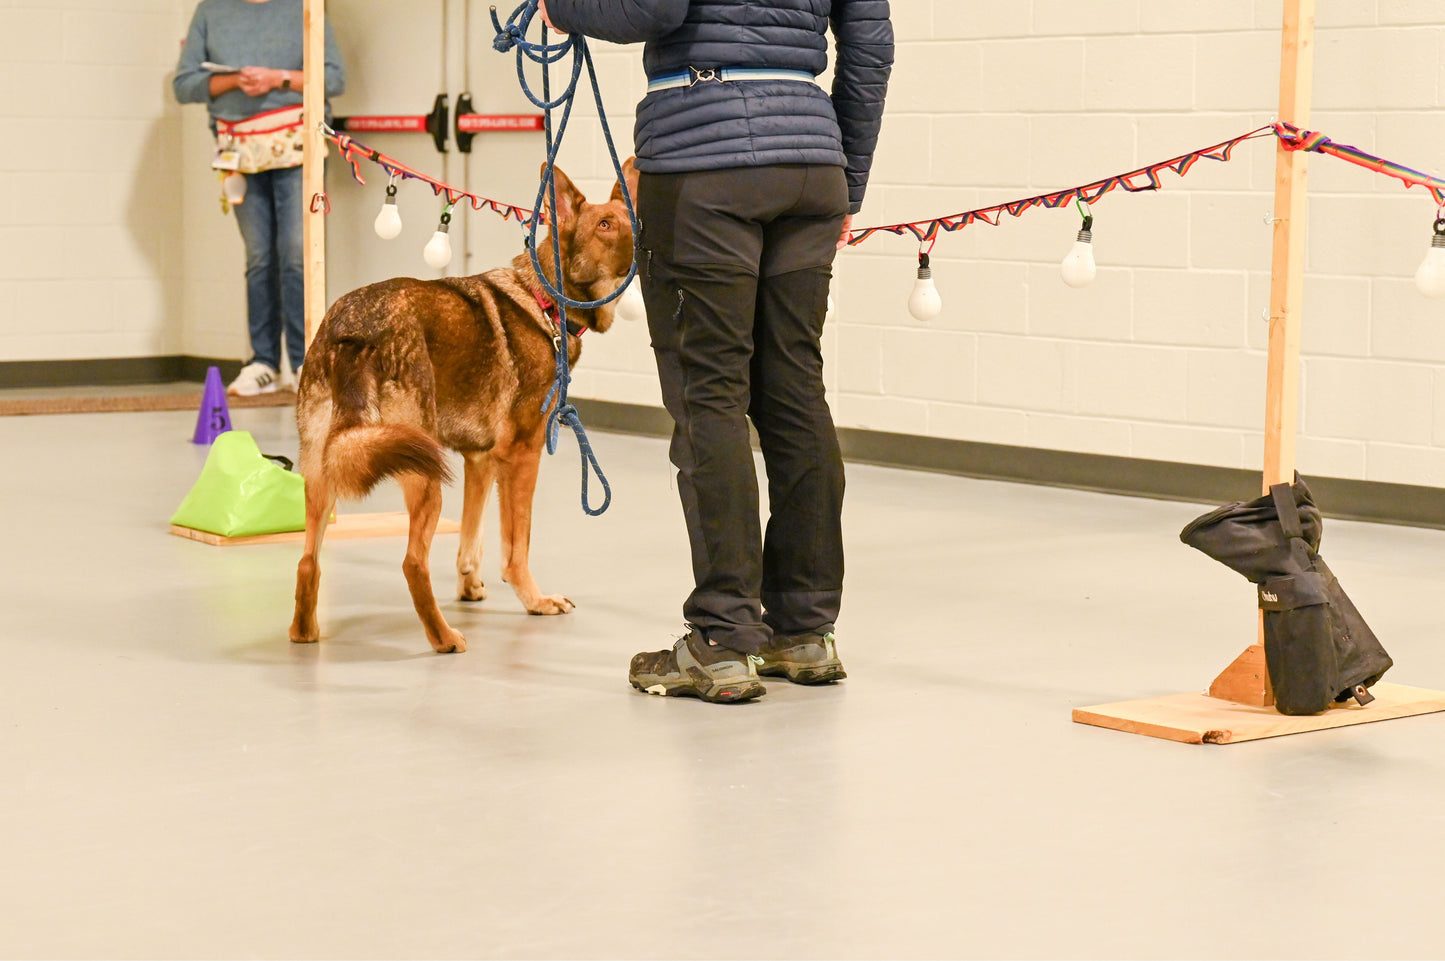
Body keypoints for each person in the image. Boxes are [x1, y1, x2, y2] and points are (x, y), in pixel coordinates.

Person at [539, 0, 894, 703]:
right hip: (810, 164)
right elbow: (870, 46)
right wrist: (846, 177)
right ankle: (804, 631)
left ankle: (723, 638)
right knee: (795, 391)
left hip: (704, 165)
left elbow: (653, 6)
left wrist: (563, 7)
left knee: (711, 394)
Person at [172, 0, 346, 396]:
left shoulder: (304, 7)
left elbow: (334, 78)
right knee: (259, 257)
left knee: (297, 253)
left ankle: (304, 362)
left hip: (297, 145)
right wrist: (236, 80)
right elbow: (183, 85)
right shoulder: (211, 10)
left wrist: (277, 79)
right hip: (237, 149)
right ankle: (263, 362)